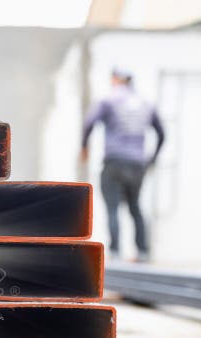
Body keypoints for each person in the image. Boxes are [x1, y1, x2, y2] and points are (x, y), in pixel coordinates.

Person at [81, 68, 165, 262]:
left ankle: (116, 253)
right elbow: (162, 134)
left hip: (115, 162)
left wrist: (84, 146)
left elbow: (89, 122)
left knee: (112, 207)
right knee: (135, 206)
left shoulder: (108, 100)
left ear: (116, 79)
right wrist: (152, 159)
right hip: (137, 164)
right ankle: (143, 252)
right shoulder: (146, 103)